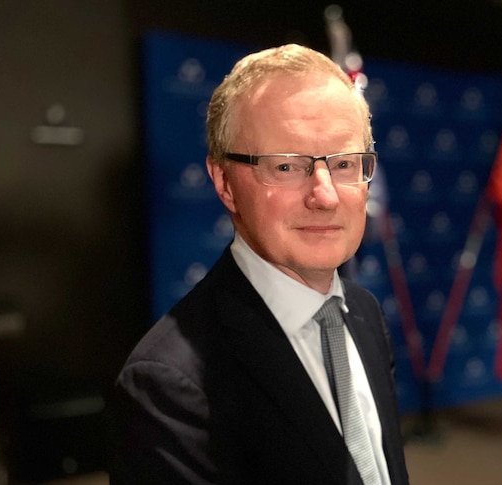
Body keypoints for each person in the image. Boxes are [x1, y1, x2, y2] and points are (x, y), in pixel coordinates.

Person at [110, 43, 409, 485]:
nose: (325, 195)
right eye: (287, 167)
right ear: (225, 184)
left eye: (345, 163)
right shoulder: (168, 386)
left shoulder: (364, 313)